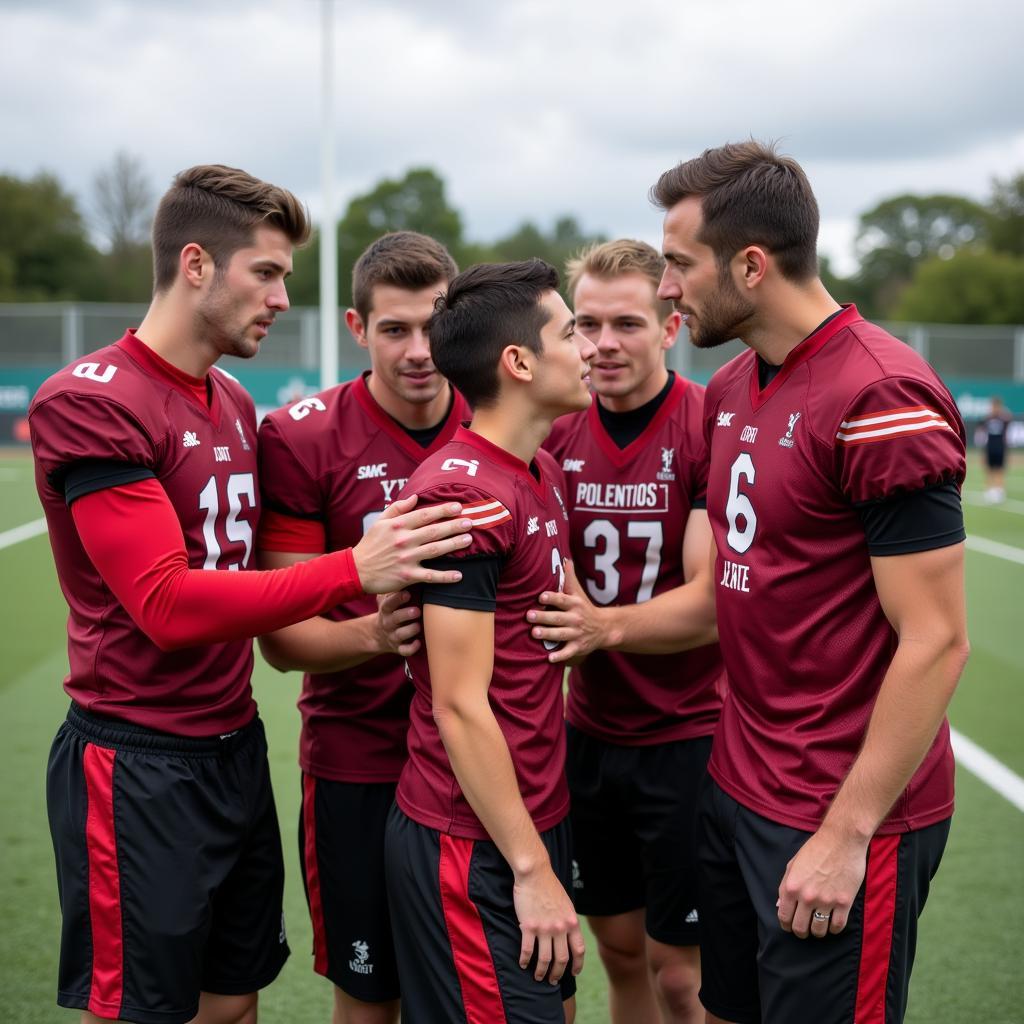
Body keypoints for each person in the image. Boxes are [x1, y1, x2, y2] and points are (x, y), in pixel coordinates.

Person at [28, 165, 473, 1024]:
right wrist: (356, 570)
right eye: (265, 272)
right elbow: (163, 604)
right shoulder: (92, 400)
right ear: (196, 263)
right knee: (146, 1012)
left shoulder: (230, 399)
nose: (278, 297)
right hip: (138, 756)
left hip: (232, 742)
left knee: (232, 1004)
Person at [650, 142, 970, 1024]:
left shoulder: (881, 396)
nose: (665, 287)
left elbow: (937, 638)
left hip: (835, 804)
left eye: (679, 263)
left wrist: (846, 832)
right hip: (739, 778)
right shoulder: (731, 386)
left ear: (751, 266)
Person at [255, 230, 469, 1024]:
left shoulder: (502, 417)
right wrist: (376, 638)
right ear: (356, 327)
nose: (419, 350)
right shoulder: (305, 435)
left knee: (482, 995)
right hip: (359, 757)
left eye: (435, 325)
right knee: (370, 999)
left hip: (484, 760)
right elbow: (282, 640)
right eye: (394, 329)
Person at [383, 260, 597, 1023]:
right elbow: (461, 705)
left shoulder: (533, 468)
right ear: (519, 362)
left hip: (532, 809)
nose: (590, 347)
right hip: (473, 841)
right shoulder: (463, 492)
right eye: (573, 331)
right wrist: (531, 867)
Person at [525, 239, 722, 1024]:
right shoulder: (550, 427)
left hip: (691, 734)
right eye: (587, 324)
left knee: (684, 974)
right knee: (613, 947)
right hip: (586, 733)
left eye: (628, 324)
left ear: (670, 326)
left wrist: (600, 626)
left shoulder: (708, 424)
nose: (603, 344)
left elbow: (711, 603)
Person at [982, 395, 1012, 503]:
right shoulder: (987, 418)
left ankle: (999, 490)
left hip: (1000, 446)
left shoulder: (1004, 418)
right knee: (989, 468)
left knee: (999, 469)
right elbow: (983, 431)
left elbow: (1008, 421)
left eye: (996, 406)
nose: (994, 408)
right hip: (990, 446)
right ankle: (989, 489)